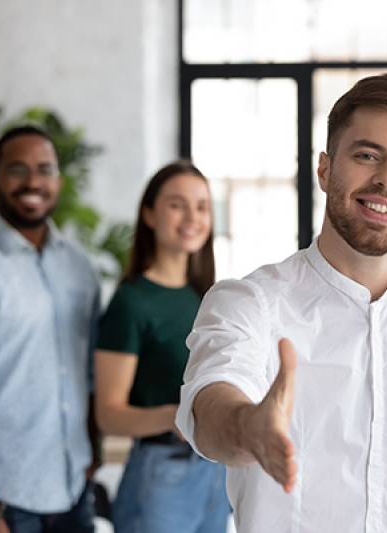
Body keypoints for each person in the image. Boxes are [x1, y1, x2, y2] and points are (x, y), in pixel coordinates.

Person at [176, 73, 387, 532]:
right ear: (325, 169)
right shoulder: (249, 303)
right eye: (367, 156)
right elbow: (210, 407)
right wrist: (248, 428)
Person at [0, 126, 99, 532]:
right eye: (17, 170)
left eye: (44, 169)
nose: (32, 182)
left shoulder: (78, 265)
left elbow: (88, 374)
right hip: (5, 498)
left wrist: (92, 457)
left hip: (74, 490)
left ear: (58, 181)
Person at [94, 161, 231, 532]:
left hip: (214, 469)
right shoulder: (132, 302)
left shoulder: (208, 297)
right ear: (149, 214)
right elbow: (108, 413)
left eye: (202, 206)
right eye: (177, 204)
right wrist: (176, 415)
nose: (192, 217)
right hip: (162, 473)